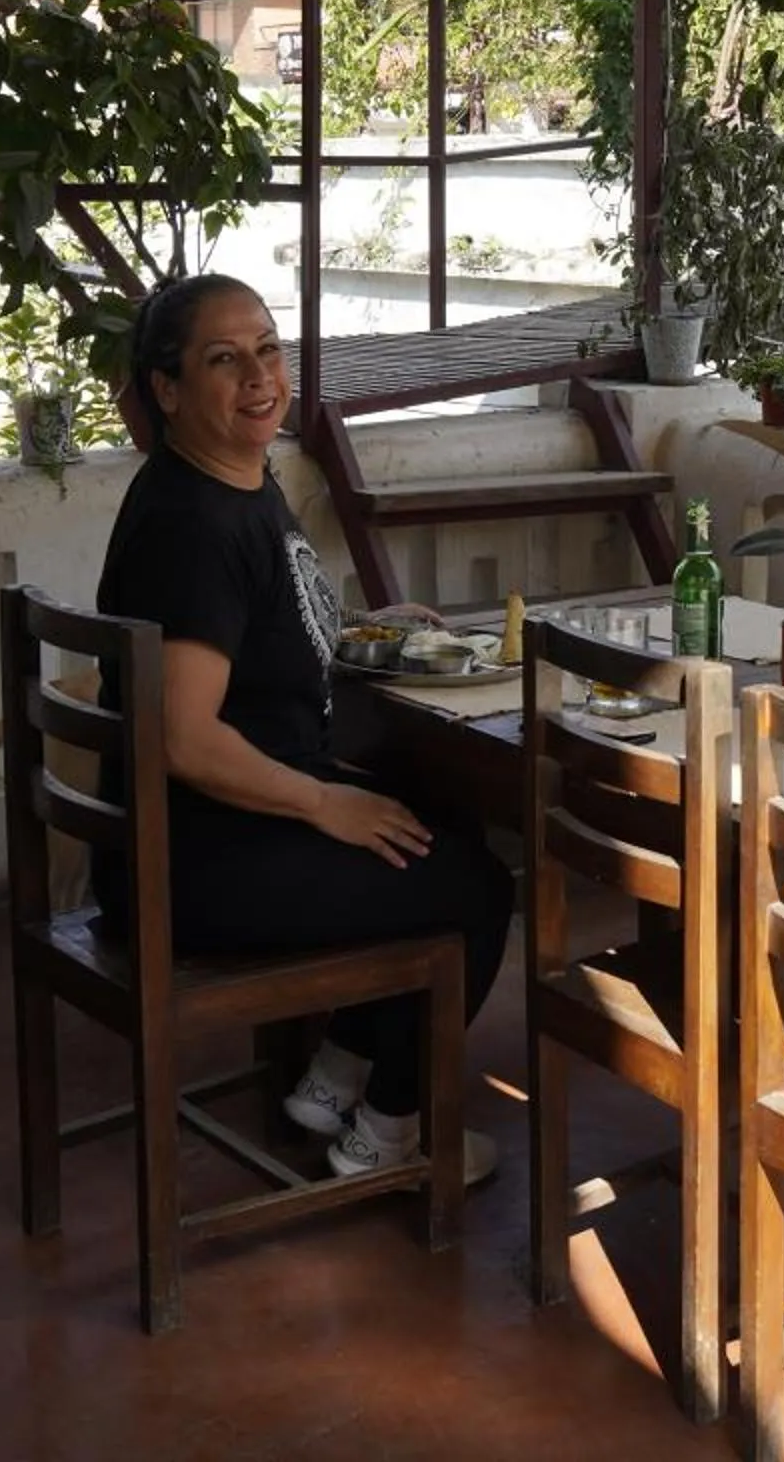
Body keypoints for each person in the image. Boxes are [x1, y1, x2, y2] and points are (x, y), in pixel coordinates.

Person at [95, 272, 511, 1183]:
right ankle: (391, 1132)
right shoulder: (193, 528)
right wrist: (325, 803)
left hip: (205, 832)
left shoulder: (239, 482)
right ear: (167, 390)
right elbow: (186, 740)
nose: (258, 376)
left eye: (268, 350)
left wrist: (370, 626)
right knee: (476, 890)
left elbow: (266, 634)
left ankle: (338, 1074)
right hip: (196, 864)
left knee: (442, 816)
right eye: (222, 359)